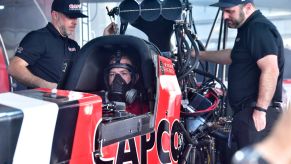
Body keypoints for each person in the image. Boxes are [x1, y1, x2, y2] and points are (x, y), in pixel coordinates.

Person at [193, 0, 285, 150]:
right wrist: (197, 54)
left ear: (248, 7)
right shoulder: (248, 29)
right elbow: (233, 55)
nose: (224, 16)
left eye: (229, 11)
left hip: (256, 115)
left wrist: (260, 111)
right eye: (223, 11)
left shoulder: (258, 28)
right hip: (248, 114)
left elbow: (270, 69)